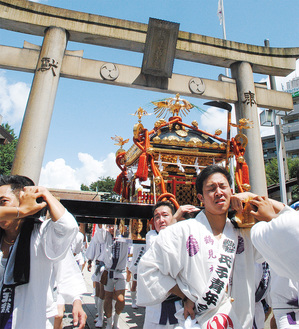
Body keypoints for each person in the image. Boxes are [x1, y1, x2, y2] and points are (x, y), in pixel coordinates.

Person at [137, 165, 263, 329]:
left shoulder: (245, 233)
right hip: (201, 321)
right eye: (211, 188)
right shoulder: (181, 232)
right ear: (200, 197)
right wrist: (183, 295)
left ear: (231, 192)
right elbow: (148, 269)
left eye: (223, 187)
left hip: (240, 321)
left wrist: (251, 197)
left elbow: (282, 222)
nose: (218, 192)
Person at [0, 175, 78, 329]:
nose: (2, 209)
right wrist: (19, 210)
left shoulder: (42, 234)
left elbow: (68, 227)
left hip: (30, 320)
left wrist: (44, 194)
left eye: (3, 202)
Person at [143, 201, 199, 329]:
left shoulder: (184, 237)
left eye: (165, 215)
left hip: (180, 307)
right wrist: (174, 220)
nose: (161, 220)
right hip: (157, 309)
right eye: (157, 217)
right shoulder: (152, 238)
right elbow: (162, 248)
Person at [97, 224, 131, 329]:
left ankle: (116, 319)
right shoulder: (106, 236)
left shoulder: (125, 235)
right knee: (108, 297)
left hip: (120, 272)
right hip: (109, 271)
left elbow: (130, 235)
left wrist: (125, 230)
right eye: (110, 226)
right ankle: (108, 321)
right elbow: (100, 228)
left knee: (120, 299)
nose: (112, 228)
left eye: (114, 226)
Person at [86, 224, 106, 328]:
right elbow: (94, 243)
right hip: (100, 263)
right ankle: (100, 313)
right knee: (99, 290)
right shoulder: (98, 232)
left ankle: (107, 313)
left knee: (109, 293)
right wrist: (90, 260)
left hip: (111, 265)